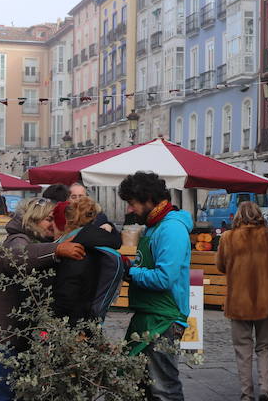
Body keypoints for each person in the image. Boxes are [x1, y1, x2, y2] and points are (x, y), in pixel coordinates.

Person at [0, 198, 86, 401]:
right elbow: (19, 257)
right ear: (34, 219)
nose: (51, 224)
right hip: (6, 332)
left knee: (17, 389)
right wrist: (56, 249)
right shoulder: (17, 239)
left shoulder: (34, 240)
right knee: (6, 390)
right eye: (48, 219)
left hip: (17, 331)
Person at [118, 171, 192, 401]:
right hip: (148, 315)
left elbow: (164, 278)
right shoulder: (153, 227)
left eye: (132, 203)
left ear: (149, 199)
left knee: (164, 390)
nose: (130, 209)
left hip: (164, 319)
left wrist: (131, 272)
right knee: (142, 388)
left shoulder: (172, 228)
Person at [216, 202, 268, 401]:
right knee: (264, 347)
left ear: (238, 216)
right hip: (266, 301)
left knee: (243, 349)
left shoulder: (228, 237)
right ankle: (265, 388)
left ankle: (246, 394)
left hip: (238, 303)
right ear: (259, 214)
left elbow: (221, 266)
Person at [52, 196, 121, 325]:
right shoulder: (95, 241)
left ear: (66, 221)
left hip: (68, 322)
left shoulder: (71, 247)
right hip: (87, 318)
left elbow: (67, 292)